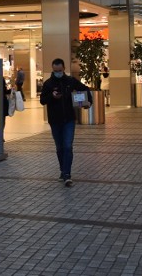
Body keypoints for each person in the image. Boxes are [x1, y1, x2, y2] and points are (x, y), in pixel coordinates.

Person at [39, 58, 91, 187]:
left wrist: (88, 101)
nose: (58, 72)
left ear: (64, 69)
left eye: (60, 70)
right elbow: (42, 100)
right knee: (60, 147)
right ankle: (63, 170)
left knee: (67, 146)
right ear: (53, 69)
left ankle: (67, 174)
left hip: (69, 119)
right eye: (55, 71)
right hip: (55, 120)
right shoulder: (48, 84)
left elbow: (84, 89)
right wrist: (52, 96)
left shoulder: (70, 81)